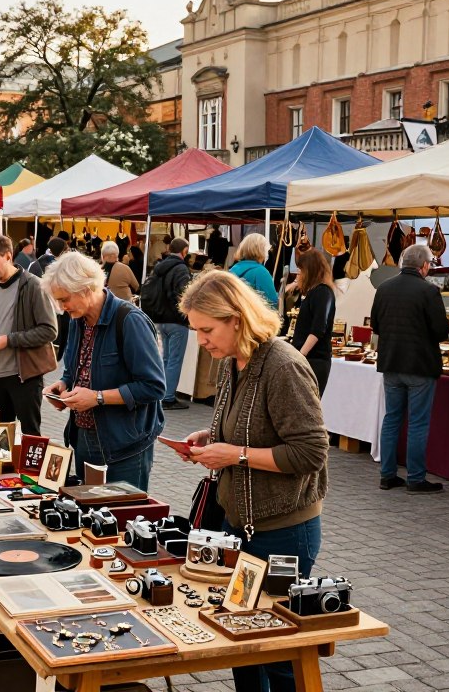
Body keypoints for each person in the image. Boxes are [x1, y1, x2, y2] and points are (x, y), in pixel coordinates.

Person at [180, 269, 328, 692]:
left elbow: (311, 452)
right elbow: (247, 427)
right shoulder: (234, 361)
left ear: (237, 319)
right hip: (237, 525)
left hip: (283, 531)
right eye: (197, 330)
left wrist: (236, 455)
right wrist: (211, 439)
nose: (202, 340)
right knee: (241, 644)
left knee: (280, 654)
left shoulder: (283, 366)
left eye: (208, 330)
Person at [42, 253, 165, 490]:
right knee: (88, 515)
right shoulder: (78, 318)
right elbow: (75, 367)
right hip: (84, 437)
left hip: (124, 444)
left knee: (121, 519)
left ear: (86, 289)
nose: (61, 307)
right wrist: (64, 385)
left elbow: (154, 386)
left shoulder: (130, 321)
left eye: (64, 299)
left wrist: (97, 398)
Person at [370, 244, 449, 494]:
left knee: (391, 419)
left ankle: (388, 475)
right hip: (419, 365)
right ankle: (415, 478)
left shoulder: (383, 288)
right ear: (424, 266)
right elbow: (440, 331)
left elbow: (375, 326)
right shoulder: (428, 291)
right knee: (417, 422)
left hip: (392, 362)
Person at [0, 235, 57, 435]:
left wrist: (9, 340)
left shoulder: (34, 286)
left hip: (25, 376)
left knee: (30, 434)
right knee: (1, 436)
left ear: (8, 256)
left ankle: (30, 469)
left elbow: (49, 330)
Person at [146, 237, 192, 411]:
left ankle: (161, 393)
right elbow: (184, 294)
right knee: (174, 360)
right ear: (184, 251)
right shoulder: (180, 269)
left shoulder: (159, 267)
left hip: (159, 318)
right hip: (176, 320)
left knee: (165, 359)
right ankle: (169, 397)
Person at [289, 248, 336, 395]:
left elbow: (318, 329)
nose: (299, 275)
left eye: (301, 270)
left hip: (314, 361)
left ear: (309, 271)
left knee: (306, 407)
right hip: (308, 359)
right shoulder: (315, 292)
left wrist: (300, 356)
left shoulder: (323, 292)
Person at [229, 233, 278, 308]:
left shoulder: (232, 270)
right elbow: (271, 302)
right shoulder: (261, 272)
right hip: (254, 317)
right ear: (261, 250)